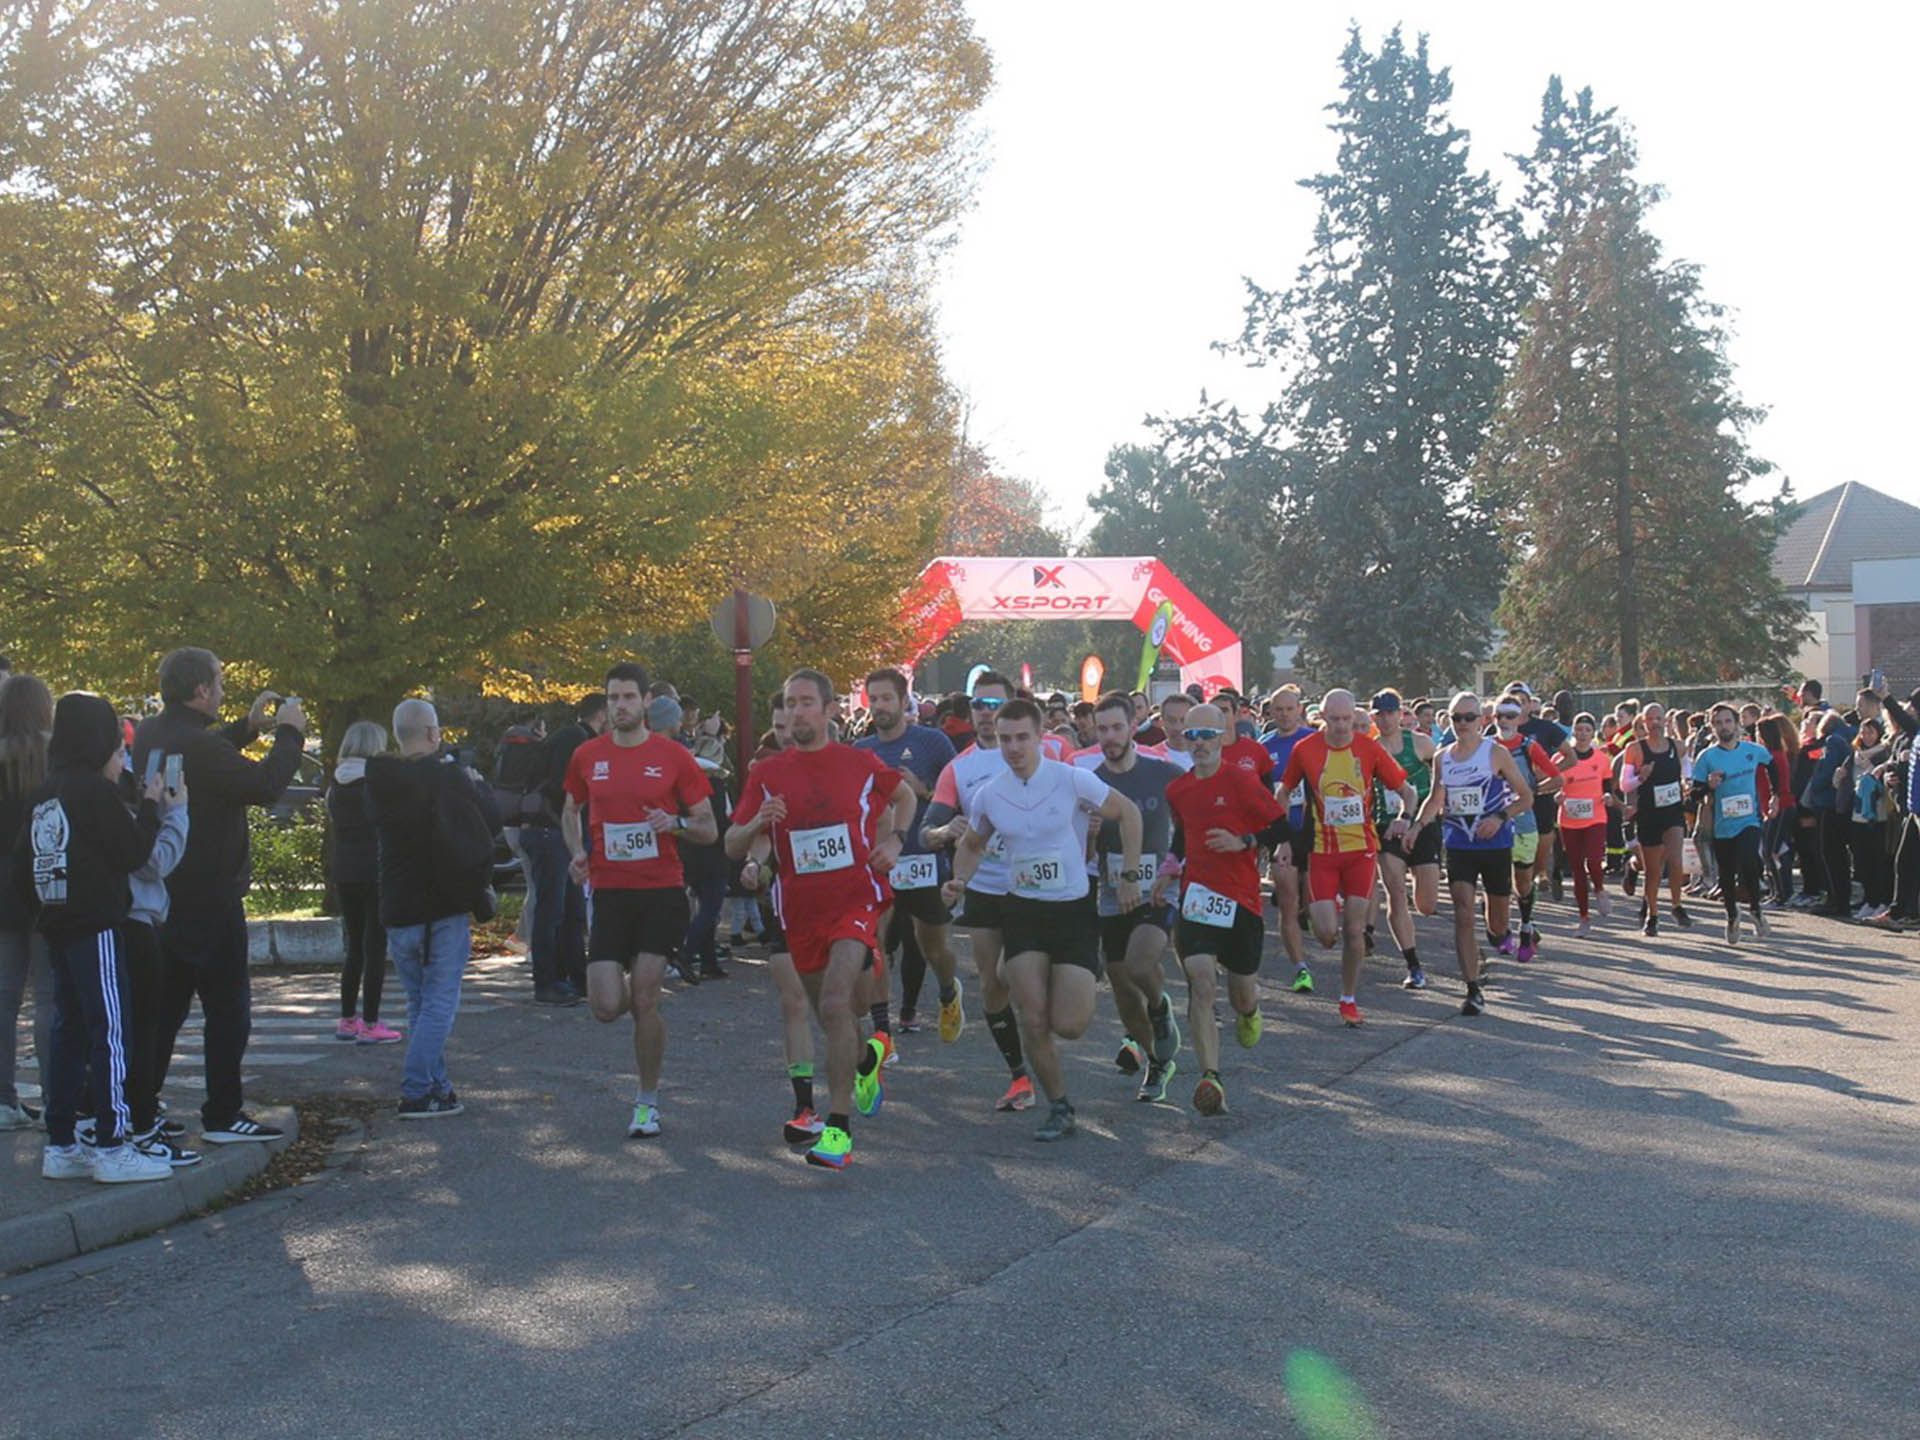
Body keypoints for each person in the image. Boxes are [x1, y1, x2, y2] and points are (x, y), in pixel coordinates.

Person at [728, 670, 915, 1169]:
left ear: (831, 710)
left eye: (808, 702)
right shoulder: (767, 773)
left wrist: (894, 841)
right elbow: (732, 843)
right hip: (800, 910)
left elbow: (904, 796)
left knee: (835, 1001)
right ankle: (864, 1062)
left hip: (855, 900)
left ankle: (838, 1131)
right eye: (791, 704)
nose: (798, 713)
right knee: (833, 1018)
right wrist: (756, 831)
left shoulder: (858, 763)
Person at [943, 698, 1141, 1142]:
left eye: (1021, 738)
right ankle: (1059, 1105)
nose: (1013, 747)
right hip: (1023, 911)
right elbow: (973, 844)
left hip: (1071, 912)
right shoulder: (991, 793)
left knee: (1069, 1024)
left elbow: (1128, 812)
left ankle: (1053, 980)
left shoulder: (1071, 780)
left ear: (1039, 738)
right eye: (1004, 738)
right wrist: (958, 880)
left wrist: (1128, 875)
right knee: (1032, 1018)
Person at [133, 648, 303, 1144]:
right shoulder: (198, 747)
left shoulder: (152, 733)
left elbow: (206, 754)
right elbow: (264, 784)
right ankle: (224, 1113)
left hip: (168, 893)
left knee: (164, 1010)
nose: (224, 692)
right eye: (220, 684)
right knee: (228, 1011)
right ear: (201, 690)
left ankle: (142, 1104)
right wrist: (289, 732)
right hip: (212, 895)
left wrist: (248, 728)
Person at [17, 691, 172, 1183]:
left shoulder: (45, 791)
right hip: (95, 922)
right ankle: (112, 1143)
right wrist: (150, 805)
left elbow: (22, 866)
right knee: (112, 1029)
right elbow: (132, 853)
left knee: (70, 1030)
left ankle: (61, 1141)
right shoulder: (93, 791)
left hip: (55, 922)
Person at [563, 664, 717, 1138]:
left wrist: (673, 825)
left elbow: (708, 828)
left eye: (629, 697)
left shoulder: (673, 756)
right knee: (606, 1006)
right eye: (613, 698)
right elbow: (570, 809)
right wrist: (576, 853)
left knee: (646, 998)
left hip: (660, 892)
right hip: (610, 892)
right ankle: (629, 995)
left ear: (647, 702)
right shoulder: (587, 756)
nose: (620, 706)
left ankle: (646, 1101)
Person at [364, 700, 499, 1119]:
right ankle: (416, 1089)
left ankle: (440, 1088)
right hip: (442, 903)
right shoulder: (447, 778)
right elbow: (489, 823)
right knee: (440, 1003)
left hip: (399, 905)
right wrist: (476, 786)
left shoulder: (379, 781)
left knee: (419, 1004)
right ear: (432, 733)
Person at [1155, 703, 1287, 1115]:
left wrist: (1243, 842)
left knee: (1240, 993)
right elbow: (1183, 835)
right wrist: (1170, 869)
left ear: (1222, 736)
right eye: (1191, 736)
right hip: (1197, 898)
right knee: (1200, 980)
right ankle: (1210, 1076)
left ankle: (1250, 1010)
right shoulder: (1178, 789)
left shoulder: (1242, 781)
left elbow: (1283, 826)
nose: (1199, 744)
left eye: (1207, 736)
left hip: (1242, 899)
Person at [923, 671, 1035, 1113]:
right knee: (993, 984)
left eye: (995, 706)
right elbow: (926, 830)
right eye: (979, 706)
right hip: (985, 887)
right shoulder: (959, 767)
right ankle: (1019, 1075)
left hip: (1036, 886)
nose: (987, 715)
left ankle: (1041, 1052)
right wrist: (943, 830)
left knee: (1021, 976)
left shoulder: (1045, 753)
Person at [1275, 690, 1416, 1027]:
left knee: (1354, 931)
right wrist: (1281, 839)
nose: (1340, 726)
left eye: (1346, 719)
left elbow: (1407, 792)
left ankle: (1348, 998)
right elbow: (1284, 792)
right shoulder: (1305, 750)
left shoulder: (1369, 749)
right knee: (1325, 935)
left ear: (1354, 716)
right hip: (1322, 852)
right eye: (1334, 719)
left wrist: (1404, 817)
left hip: (1361, 851)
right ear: (1321, 717)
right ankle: (1329, 908)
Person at [1076, 691, 1182, 1101]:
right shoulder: (1090, 784)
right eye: (1102, 729)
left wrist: (1179, 864)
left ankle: (1159, 1007)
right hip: (1110, 892)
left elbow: (1190, 823)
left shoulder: (1164, 773)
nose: (1109, 736)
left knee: (1141, 965)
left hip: (1156, 887)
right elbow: (1082, 854)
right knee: (1120, 983)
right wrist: (1088, 838)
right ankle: (1157, 1062)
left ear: (1134, 726)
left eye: (1117, 727)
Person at [855, 668, 966, 1046]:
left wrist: (924, 790)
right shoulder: (861, 751)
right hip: (880, 861)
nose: (880, 706)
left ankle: (949, 990)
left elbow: (957, 797)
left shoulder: (933, 743)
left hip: (923, 857)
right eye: (874, 699)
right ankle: (882, 1030)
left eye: (887, 698)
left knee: (933, 945)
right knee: (877, 942)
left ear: (905, 702)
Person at [1417, 693, 1533, 1017]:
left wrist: (1500, 818)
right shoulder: (1442, 757)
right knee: (1462, 913)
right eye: (1456, 718)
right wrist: (1416, 826)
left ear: (1482, 720)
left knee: (1497, 927)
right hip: (1459, 844)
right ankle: (1472, 989)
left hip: (1495, 845)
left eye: (1469, 718)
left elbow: (1526, 797)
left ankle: (1502, 928)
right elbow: (1435, 798)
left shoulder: (1495, 754)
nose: (1462, 725)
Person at [519, 692, 606, 1004]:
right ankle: (547, 981)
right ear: (602, 714)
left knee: (570, 909)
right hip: (550, 831)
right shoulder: (576, 739)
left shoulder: (568, 736)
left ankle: (573, 977)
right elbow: (562, 785)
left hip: (551, 831)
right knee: (553, 909)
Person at [0, 673, 55, 1131]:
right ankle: (58, 1097)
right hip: (44, 885)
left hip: (0, 890)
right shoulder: (53, 756)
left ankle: (2, 1098)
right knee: (50, 1000)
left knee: (4, 998)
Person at [328, 721, 400, 1043]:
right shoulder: (375, 784)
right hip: (375, 868)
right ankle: (371, 1023)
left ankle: (347, 1019)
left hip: (344, 869)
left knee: (354, 946)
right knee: (375, 946)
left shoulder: (335, 783)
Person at [1368, 689, 1439, 989]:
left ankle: (1417, 883)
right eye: (1379, 714)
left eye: (1389, 713)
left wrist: (1425, 816)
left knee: (1426, 905)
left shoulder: (1420, 744)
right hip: (1387, 828)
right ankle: (1413, 966)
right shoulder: (1369, 750)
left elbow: (1441, 782)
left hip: (1423, 826)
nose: (1385, 720)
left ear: (1401, 714)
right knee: (1395, 892)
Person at [1691, 704, 1775, 945]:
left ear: (1737, 724)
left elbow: (1772, 765)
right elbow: (1694, 794)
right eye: (1718, 723)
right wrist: (1708, 786)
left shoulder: (1752, 750)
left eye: (1728, 721)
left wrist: (1776, 794)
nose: (1724, 727)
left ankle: (1756, 910)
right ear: (1712, 727)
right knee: (1726, 875)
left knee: (1749, 860)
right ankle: (1732, 914)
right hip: (1722, 824)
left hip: (1749, 820)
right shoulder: (1706, 757)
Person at [1491, 696, 1563, 963]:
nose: (1505, 721)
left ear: (1520, 718)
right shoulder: (1486, 747)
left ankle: (1526, 925)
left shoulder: (1528, 746)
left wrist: (1533, 791)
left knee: (1523, 881)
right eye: (1500, 716)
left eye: (1511, 716)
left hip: (1523, 823)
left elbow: (1557, 776)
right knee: (1497, 881)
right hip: (1495, 824)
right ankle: (1500, 930)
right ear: (1493, 718)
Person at [1618, 704, 1693, 937]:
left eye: (1659, 718)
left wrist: (1688, 782)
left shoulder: (1678, 747)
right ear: (1644, 722)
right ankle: (1652, 915)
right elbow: (1624, 784)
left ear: (1665, 721)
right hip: (1649, 813)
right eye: (1651, 719)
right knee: (1652, 871)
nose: (1656, 723)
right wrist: (1641, 777)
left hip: (1672, 811)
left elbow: (1687, 771)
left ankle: (1677, 906)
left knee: (1675, 856)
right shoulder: (1635, 749)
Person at [1260, 685, 1315, 995]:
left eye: (1289, 708)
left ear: (1299, 709)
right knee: (1288, 903)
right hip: (1281, 833)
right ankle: (1300, 968)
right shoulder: (1263, 746)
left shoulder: (1313, 741)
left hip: (1314, 830)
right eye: (1278, 709)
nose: (1283, 714)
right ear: (1270, 712)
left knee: (1313, 903)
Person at [1556, 714, 1618, 936]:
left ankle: (1600, 888)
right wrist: (1557, 797)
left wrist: (1609, 797)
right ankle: (1584, 918)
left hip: (1595, 817)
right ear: (1573, 732)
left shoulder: (1601, 759)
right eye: (1579, 729)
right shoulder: (1561, 759)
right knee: (1577, 869)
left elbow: (1607, 786)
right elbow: (1555, 785)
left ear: (1593, 734)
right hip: (1570, 820)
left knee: (1593, 859)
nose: (1582, 734)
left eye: (1587, 730)